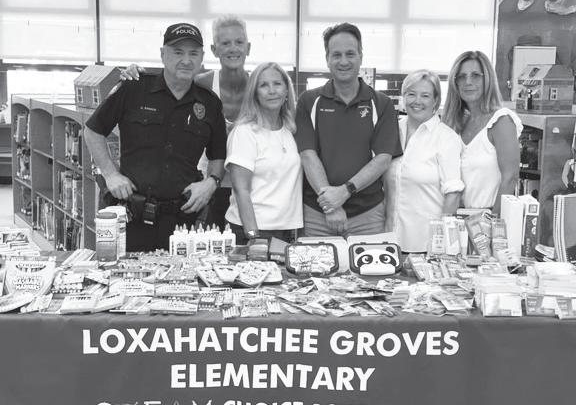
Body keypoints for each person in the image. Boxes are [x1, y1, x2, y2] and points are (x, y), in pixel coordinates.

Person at [84, 23, 227, 251]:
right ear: (162, 54)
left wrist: (211, 183)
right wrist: (110, 174)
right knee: (124, 273)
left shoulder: (210, 103)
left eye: (193, 53)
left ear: (202, 58)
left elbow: (218, 154)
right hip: (131, 216)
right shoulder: (133, 88)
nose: (186, 60)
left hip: (183, 220)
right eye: (178, 52)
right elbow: (92, 130)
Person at [121, 15, 251, 230]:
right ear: (214, 50)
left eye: (239, 42)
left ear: (248, 47)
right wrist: (134, 74)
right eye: (225, 43)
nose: (233, 49)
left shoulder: (261, 88)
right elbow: (168, 84)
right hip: (204, 190)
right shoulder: (201, 84)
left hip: (249, 187)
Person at [295, 22, 401, 237]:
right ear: (327, 58)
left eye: (350, 54)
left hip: (367, 216)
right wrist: (330, 205)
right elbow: (308, 156)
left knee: (371, 262)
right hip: (318, 214)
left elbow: (382, 159)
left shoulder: (382, 104)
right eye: (336, 55)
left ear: (361, 56)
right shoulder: (309, 101)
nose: (343, 61)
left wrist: (344, 192)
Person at [384, 69, 464, 253]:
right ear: (403, 97)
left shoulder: (446, 138)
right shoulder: (391, 129)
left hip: (424, 245)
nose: (417, 101)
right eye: (411, 94)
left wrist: (440, 244)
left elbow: (453, 194)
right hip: (387, 240)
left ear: (436, 100)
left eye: (425, 95)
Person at [224, 62, 302, 244]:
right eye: (264, 85)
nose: (272, 91)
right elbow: (241, 190)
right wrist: (253, 236)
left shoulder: (290, 129)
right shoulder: (245, 132)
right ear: (254, 93)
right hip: (252, 230)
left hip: (287, 230)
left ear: (286, 90)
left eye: (277, 84)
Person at [442, 50, 522, 215]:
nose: (468, 82)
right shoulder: (455, 124)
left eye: (476, 75)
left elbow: (510, 178)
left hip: (488, 217)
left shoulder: (501, 120)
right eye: (461, 77)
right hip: (455, 218)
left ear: (488, 79)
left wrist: (492, 222)